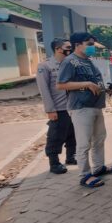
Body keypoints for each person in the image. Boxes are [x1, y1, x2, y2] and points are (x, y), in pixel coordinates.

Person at [57, 32, 112, 188]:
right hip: (81, 107)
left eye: (93, 44)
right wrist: (86, 84)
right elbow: (60, 85)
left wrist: (106, 89)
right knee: (84, 143)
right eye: (89, 44)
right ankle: (85, 175)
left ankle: (98, 168)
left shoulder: (89, 61)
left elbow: (95, 81)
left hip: (96, 105)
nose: (92, 47)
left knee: (99, 139)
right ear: (77, 45)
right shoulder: (70, 62)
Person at [36, 38, 76, 174]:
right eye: (68, 47)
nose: (70, 49)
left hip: (73, 105)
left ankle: (71, 157)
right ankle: (54, 163)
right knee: (56, 135)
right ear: (58, 49)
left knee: (73, 133)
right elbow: (44, 90)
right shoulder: (45, 66)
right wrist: (50, 110)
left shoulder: (70, 63)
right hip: (58, 108)